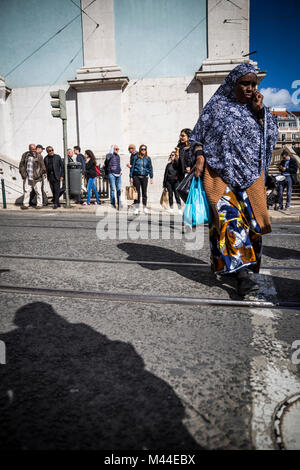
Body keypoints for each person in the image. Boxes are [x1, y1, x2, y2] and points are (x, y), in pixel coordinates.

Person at [189, 63, 278, 297]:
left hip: (251, 178)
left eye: (253, 84)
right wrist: (199, 155)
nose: (249, 88)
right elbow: (197, 137)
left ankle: (226, 264)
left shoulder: (259, 110)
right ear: (233, 83)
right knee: (230, 222)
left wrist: (260, 113)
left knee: (251, 227)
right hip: (220, 175)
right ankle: (242, 277)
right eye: (244, 83)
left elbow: (270, 140)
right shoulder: (216, 107)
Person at [19, 144, 46, 210]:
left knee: (38, 191)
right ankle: (25, 204)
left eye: (35, 149)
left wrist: (40, 173)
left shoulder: (39, 156)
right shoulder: (25, 155)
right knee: (26, 191)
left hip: (36, 177)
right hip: (28, 177)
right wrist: (23, 174)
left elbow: (43, 166)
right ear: (29, 149)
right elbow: (21, 165)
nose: (34, 150)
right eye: (32, 149)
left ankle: (39, 204)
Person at [129, 144, 154, 215]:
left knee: (144, 193)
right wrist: (131, 177)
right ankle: (136, 208)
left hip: (145, 177)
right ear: (140, 150)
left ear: (146, 150)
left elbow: (150, 168)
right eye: (142, 149)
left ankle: (144, 207)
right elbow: (132, 167)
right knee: (137, 193)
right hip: (136, 177)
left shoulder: (148, 158)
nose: (143, 150)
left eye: (145, 149)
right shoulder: (136, 157)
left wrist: (151, 177)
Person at [104, 145, 122, 209]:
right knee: (113, 189)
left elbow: (119, 164)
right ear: (113, 149)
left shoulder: (118, 156)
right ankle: (113, 203)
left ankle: (119, 204)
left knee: (119, 189)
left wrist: (121, 170)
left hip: (118, 174)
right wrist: (111, 149)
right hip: (111, 173)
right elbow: (108, 157)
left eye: (118, 149)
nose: (117, 150)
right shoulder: (109, 155)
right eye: (116, 149)